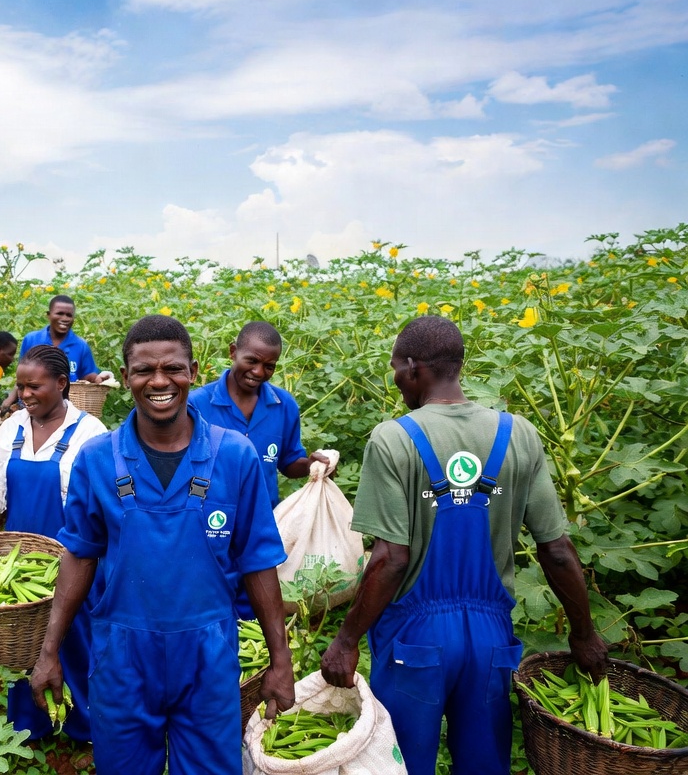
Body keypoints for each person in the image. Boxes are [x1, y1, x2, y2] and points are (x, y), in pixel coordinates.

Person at [319, 315, 608, 775]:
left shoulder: (394, 438)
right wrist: (584, 632)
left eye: (395, 369)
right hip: (490, 639)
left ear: (414, 368)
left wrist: (346, 639)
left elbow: (391, 559)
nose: (395, 380)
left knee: (400, 763)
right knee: (484, 763)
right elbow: (556, 549)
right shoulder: (519, 435)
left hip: (414, 640)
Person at [31, 315, 295, 775]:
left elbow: (258, 562)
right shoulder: (97, 459)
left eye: (172, 368)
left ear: (193, 371)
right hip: (122, 656)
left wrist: (280, 659)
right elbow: (79, 554)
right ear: (126, 376)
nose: (159, 381)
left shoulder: (234, 455)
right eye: (143, 370)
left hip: (208, 657)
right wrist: (49, 649)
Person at [0, 344, 107, 742]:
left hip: (73, 556)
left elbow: (99, 510)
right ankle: (29, 727)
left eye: (35, 387)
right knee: (23, 646)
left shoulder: (91, 434)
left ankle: (84, 728)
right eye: (20, 387)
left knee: (77, 641)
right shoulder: (13, 426)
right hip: (21, 561)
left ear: (62, 384)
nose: (26, 395)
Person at [190, 321, 329, 509]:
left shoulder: (284, 405)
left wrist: (309, 465)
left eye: (269, 366)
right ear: (233, 351)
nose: (258, 372)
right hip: (205, 518)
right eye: (252, 361)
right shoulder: (196, 404)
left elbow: (288, 463)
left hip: (262, 520)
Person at [0, 295, 105, 415]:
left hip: (67, 408)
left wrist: (98, 378)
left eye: (69, 315)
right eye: (59, 313)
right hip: (32, 405)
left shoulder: (80, 345)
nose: (64, 318)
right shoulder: (32, 340)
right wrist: (9, 400)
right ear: (49, 315)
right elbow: (22, 378)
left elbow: (88, 376)